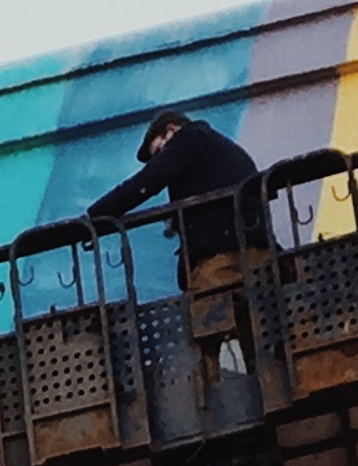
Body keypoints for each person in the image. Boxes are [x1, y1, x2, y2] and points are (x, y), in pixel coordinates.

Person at [91, 108, 265, 397]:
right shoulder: (223, 150)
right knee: (257, 332)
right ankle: (261, 388)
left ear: (171, 130)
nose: (162, 157)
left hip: (222, 259)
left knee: (202, 336)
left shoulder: (191, 137)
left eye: (159, 149)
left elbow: (146, 182)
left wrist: (93, 218)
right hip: (257, 253)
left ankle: (209, 402)